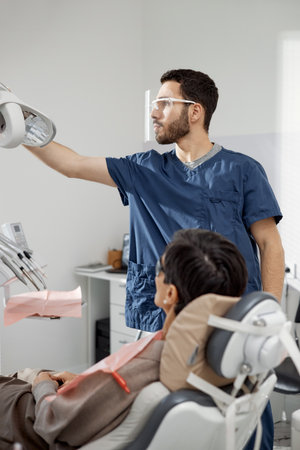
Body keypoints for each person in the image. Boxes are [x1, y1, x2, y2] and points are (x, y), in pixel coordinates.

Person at [23, 68, 285, 334]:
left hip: (229, 315)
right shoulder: (143, 169)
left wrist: (269, 313)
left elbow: (269, 244)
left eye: (165, 104)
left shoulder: (242, 170)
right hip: (159, 317)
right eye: (154, 104)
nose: (153, 113)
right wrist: (17, 124)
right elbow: (72, 165)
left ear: (195, 112)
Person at [0, 229, 249, 449]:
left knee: (29, 374)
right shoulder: (209, 359)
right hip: (76, 400)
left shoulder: (148, 365)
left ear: (171, 293)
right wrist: (85, 381)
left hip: (29, 420)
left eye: (159, 269)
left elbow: (52, 421)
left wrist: (42, 384)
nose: (154, 275)